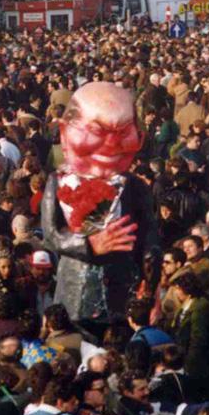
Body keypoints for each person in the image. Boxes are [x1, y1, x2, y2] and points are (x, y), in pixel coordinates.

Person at [42, 82, 157, 321]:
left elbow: (149, 233)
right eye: (97, 131)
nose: (112, 144)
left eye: (124, 132)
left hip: (122, 291)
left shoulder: (135, 187)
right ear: (65, 132)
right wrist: (89, 245)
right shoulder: (58, 182)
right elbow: (52, 234)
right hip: (75, 291)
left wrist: (150, 270)